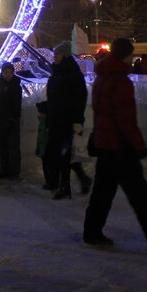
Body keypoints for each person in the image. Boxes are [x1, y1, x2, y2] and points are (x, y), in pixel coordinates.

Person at [82, 38, 147, 248]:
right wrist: (139, 145)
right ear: (125, 56)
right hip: (120, 145)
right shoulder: (120, 81)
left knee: (103, 192)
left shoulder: (102, 78)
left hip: (105, 142)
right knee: (138, 191)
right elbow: (125, 120)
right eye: (131, 54)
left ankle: (91, 232)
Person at [44, 42, 88, 198]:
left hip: (68, 120)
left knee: (65, 154)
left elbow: (80, 98)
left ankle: (65, 186)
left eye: (57, 54)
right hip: (56, 119)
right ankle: (61, 181)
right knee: (55, 153)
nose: (54, 57)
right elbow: (54, 96)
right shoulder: (57, 72)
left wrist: (77, 120)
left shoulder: (72, 74)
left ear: (65, 56)